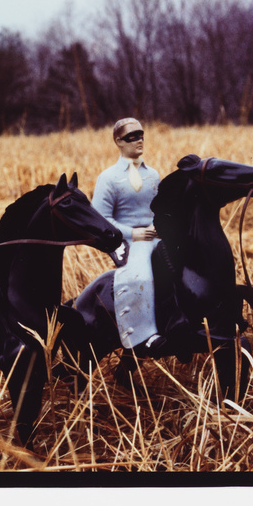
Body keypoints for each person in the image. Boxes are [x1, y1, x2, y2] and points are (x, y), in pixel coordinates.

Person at [91, 118, 166, 356]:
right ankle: (145, 334)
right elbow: (100, 218)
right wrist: (132, 233)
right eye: (131, 137)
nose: (139, 140)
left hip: (158, 235)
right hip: (132, 242)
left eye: (141, 134)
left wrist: (160, 224)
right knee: (140, 275)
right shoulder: (109, 178)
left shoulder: (153, 175)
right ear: (118, 142)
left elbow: (161, 208)